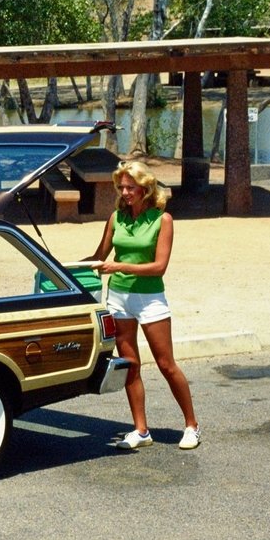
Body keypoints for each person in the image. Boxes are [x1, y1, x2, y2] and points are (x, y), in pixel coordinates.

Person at [85, 160, 200, 451]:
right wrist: (61, 268)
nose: (124, 192)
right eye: (121, 187)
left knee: (166, 364)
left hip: (150, 299)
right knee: (131, 366)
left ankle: (191, 426)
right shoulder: (115, 218)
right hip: (119, 298)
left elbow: (159, 267)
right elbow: (99, 256)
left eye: (130, 187)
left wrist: (119, 265)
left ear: (145, 188)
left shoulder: (163, 220)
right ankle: (141, 430)